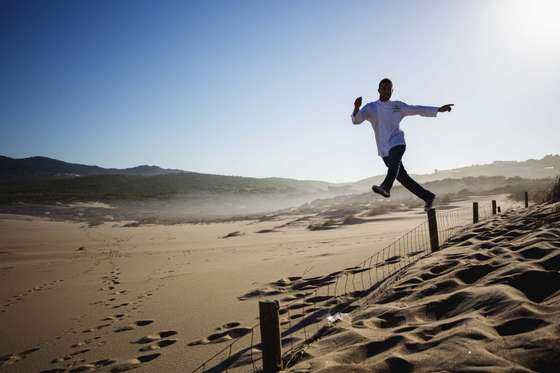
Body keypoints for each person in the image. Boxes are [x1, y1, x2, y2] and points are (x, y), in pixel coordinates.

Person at [351, 78, 453, 212]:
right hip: (384, 149)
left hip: (398, 142)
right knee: (403, 178)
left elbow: (416, 109)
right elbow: (357, 120)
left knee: (394, 166)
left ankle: (386, 187)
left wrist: (438, 109)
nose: (386, 91)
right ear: (379, 90)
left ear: (392, 91)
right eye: (384, 88)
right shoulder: (371, 107)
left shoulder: (397, 106)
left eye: (389, 89)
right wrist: (356, 107)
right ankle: (428, 197)